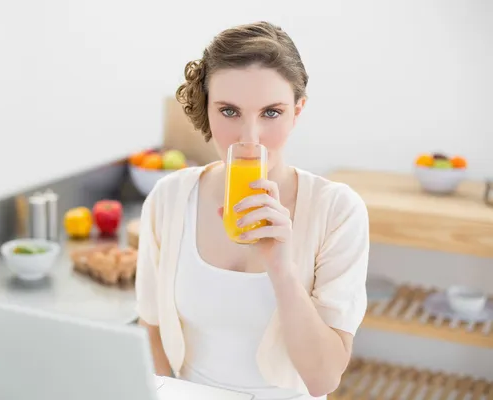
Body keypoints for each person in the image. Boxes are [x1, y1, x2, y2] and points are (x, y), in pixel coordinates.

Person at [135, 21, 369, 400]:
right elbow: (151, 331)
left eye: (271, 113)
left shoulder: (338, 210)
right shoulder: (169, 198)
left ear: (297, 111)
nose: (249, 138)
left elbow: (324, 379)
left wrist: (281, 267)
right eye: (229, 111)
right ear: (206, 110)